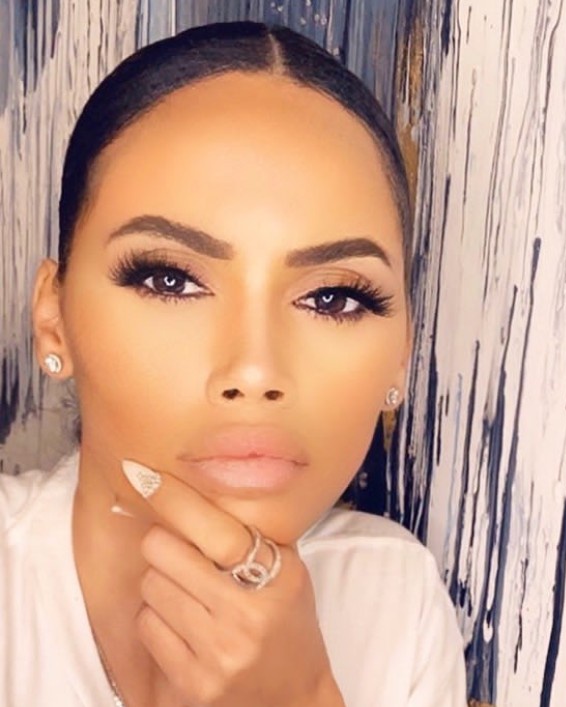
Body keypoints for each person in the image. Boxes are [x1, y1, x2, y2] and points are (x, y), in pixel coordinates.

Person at [0, 20, 467, 707]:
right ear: (54, 317)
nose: (254, 370)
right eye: (170, 280)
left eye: (333, 297)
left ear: (402, 351)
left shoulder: (394, 597)